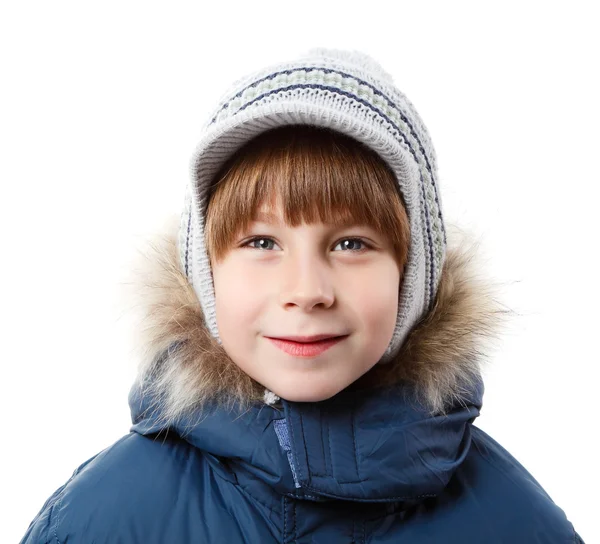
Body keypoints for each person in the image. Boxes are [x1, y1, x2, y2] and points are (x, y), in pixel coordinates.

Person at [20, 47, 584, 543]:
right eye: (262, 240)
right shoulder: (102, 520)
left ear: (412, 276)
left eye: (351, 243)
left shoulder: (515, 524)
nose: (307, 291)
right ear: (205, 270)